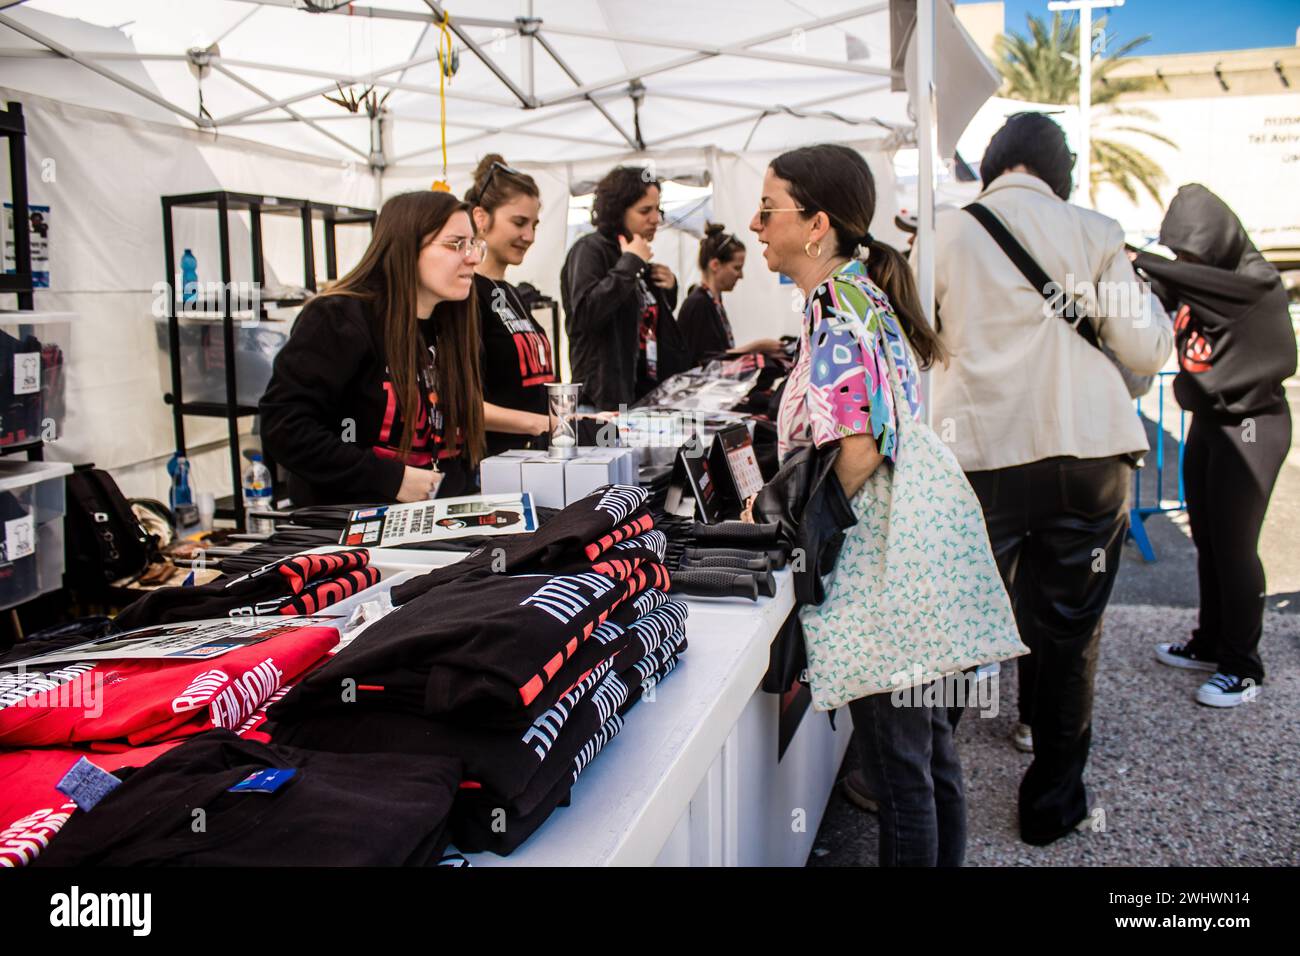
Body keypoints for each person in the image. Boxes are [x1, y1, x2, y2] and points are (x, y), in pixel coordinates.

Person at [928, 112, 1173, 846]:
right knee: (1069, 634)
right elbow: (1144, 344)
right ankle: (1050, 808)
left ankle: (921, 789)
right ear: (1055, 171)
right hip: (1085, 456)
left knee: (957, 626)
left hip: (977, 456)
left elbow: (917, 335)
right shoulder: (1096, 232)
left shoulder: (944, 232)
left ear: (994, 166)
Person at [750, 143, 964, 867]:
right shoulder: (854, 296)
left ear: (816, 224)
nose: (755, 224)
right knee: (928, 758)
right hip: (904, 555)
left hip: (879, 571)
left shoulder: (838, 306)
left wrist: (801, 531)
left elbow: (859, 449)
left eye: (769, 209)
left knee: (904, 773)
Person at [1134, 185, 1296, 707]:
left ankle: (1243, 665)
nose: (1184, 263)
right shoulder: (1198, 282)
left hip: (1252, 426)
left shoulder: (1255, 283)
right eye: (1179, 254)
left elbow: (1176, 277)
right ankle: (1210, 642)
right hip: (1209, 420)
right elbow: (1162, 291)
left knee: (1234, 545)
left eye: (1192, 254)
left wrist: (1140, 257)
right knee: (1207, 539)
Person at [260, 190, 486, 506]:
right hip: (349, 531)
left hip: (439, 522)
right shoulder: (338, 318)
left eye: (474, 244)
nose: (473, 257)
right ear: (407, 246)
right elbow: (285, 428)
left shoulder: (450, 323)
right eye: (455, 244)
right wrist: (389, 479)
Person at [560, 166, 690, 411]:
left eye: (657, 209)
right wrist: (629, 265)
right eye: (645, 211)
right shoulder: (591, 250)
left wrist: (668, 288)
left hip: (641, 397)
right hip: (602, 403)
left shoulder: (635, 257)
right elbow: (586, 314)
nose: (656, 219)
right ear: (619, 211)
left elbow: (641, 319)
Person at [464, 154, 556, 456]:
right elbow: (461, 405)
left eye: (534, 225)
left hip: (536, 458)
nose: (528, 236)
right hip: (494, 467)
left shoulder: (511, 292)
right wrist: (543, 423)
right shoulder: (466, 294)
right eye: (519, 222)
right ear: (481, 218)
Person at [676, 222, 782, 366]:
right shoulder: (699, 303)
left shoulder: (713, 300)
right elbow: (705, 362)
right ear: (715, 265)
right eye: (736, 268)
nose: (740, 275)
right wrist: (757, 347)